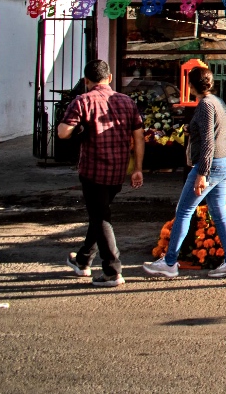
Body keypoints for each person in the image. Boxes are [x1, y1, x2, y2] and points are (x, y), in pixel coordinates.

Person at [143, 65, 226, 279]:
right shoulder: (218, 102)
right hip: (225, 162)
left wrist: (202, 173)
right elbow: (217, 131)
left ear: (190, 86)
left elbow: (208, 140)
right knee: (218, 213)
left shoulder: (205, 105)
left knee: (184, 211)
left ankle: (170, 262)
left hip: (210, 164)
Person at [57, 59, 144, 288]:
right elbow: (138, 136)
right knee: (99, 214)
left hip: (93, 170)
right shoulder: (126, 101)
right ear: (110, 77)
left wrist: (78, 126)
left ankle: (112, 270)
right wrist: (137, 168)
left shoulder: (82, 101)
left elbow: (63, 133)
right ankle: (84, 259)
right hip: (118, 170)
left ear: (87, 81)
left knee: (101, 217)